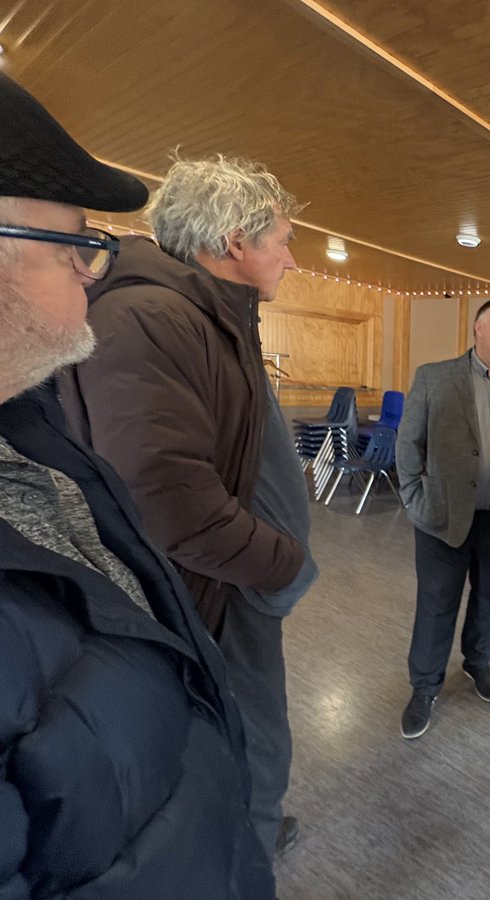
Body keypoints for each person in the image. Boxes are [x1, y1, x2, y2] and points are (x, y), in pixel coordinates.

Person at [0, 73, 273, 898]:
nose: (92, 272)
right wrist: (284, 562)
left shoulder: (26, 431)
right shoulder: (157, 321)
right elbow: (174, 486)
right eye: (73, 244)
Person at [58, 155, 318, 861]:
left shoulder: (205, 313)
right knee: (248, 738)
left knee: (248, 735)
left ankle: (252, 831)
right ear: (235, 240)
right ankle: (248, 854)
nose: (291, 260)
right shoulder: (152, 317)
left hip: (231, 586)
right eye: (283, 240)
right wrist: (284, 565)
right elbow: (169, 501)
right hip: (214, 590)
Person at [396, 297, 490, 739]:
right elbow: (409, 447)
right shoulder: (435, 378)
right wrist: (414, 499)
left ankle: (478, 662)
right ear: (478, 329)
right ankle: (425, 687)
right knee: (435, 605)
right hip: (442, 518)